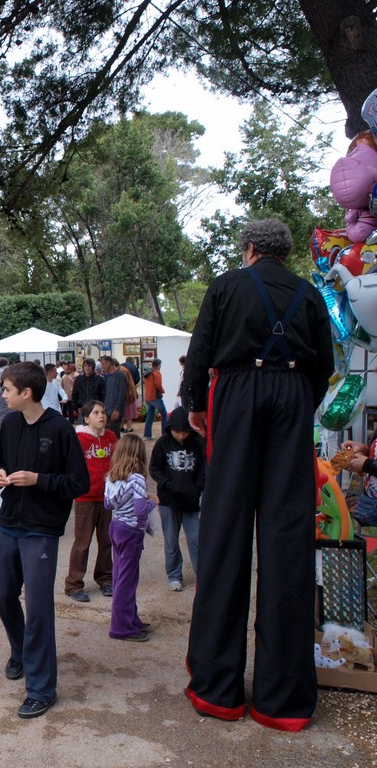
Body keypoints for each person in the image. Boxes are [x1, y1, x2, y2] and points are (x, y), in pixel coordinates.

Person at [184, 218, 333, 731]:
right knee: (287, 534)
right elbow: (324, 367)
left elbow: (200, 354)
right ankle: (282, 699)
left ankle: (218, 688)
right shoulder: (309, 294)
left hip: (238, 397)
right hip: (292, 398)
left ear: (248, 248)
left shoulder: (225, 286)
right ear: (283, 253)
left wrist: (195, 407)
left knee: (225, 530)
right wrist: (296, 408)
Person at [0, 362, 90, 719]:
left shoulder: (61, 429)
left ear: (26, 393)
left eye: (6, 389)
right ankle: (19, 651)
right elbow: (0, 461)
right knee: (3, 596)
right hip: (9, 524)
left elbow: (78, 483)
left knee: (38, 609)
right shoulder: (11, 423)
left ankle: (42, 689)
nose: (2, 395)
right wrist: (0, 474)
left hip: (41, 530)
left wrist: (39, 480)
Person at [104, 433, 156, 642]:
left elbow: (108, 504)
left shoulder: (111, 477)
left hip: (116, 527)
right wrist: (153, 502)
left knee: (120, 577)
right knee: (127, 581)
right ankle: (121, 626)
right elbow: (140, 509)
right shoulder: (137, 479)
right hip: (131, 531)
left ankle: (130, 618)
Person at [65, 401, 117, 603]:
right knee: (82, 542)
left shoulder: (111, 437)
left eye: (103, 412)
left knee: (106, 541)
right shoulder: (79, 439)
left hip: (107, 498)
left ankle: (105, 578)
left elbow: (118, 461)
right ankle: (74, 584)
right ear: (86, 418)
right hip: (86, 498)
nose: (101, 416)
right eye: (96, 413)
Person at [148, 407, 204, 592]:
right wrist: (168, 485)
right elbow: (154, 468)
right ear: (170, 429)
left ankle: (202, 575)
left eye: (184, 432)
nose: (181, 436)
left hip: (191, 501)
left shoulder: (196, 444)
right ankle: (174, 575)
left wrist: (197, 489)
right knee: (171, 540)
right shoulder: (162, 444)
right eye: (177, 432)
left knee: (196, 539)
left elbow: (203, 470)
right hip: (168, 501)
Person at [99, 357, 126, 437]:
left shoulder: (120, 375)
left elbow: (122, 393)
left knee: (114, 433)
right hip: (108, 409)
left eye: (103, 364)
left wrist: (117, 410)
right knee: (108, 433)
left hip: (115, 410)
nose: (102, 367)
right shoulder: (108, 376)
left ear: (109, 363)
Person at [142, 359, 167, 440]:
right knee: (164, 414)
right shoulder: (156, 373)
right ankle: (165, 434)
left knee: (150, 415)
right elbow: (158, 384)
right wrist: (162, 391)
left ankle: (147, 435)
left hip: (148, 397)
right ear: (158, 365)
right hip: (155, 396)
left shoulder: (147, 373)